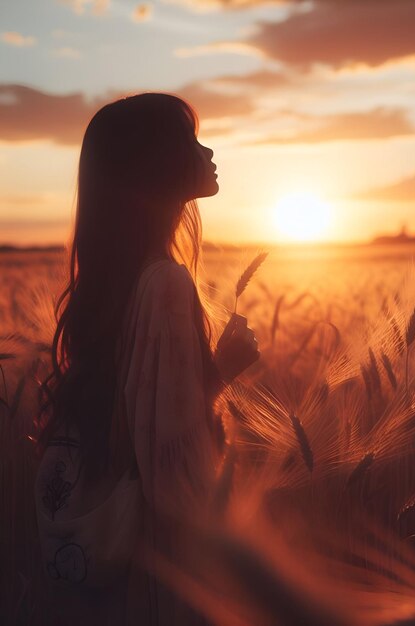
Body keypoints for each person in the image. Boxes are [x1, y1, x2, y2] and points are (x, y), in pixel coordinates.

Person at [34, 92, 260, 625]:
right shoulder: (166, 282)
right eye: (190, 139)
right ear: (155, 163)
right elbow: (169, 454)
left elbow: (130, 416)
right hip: (156, 579)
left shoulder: (127, 277)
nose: (208, 151)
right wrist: (220, 371)